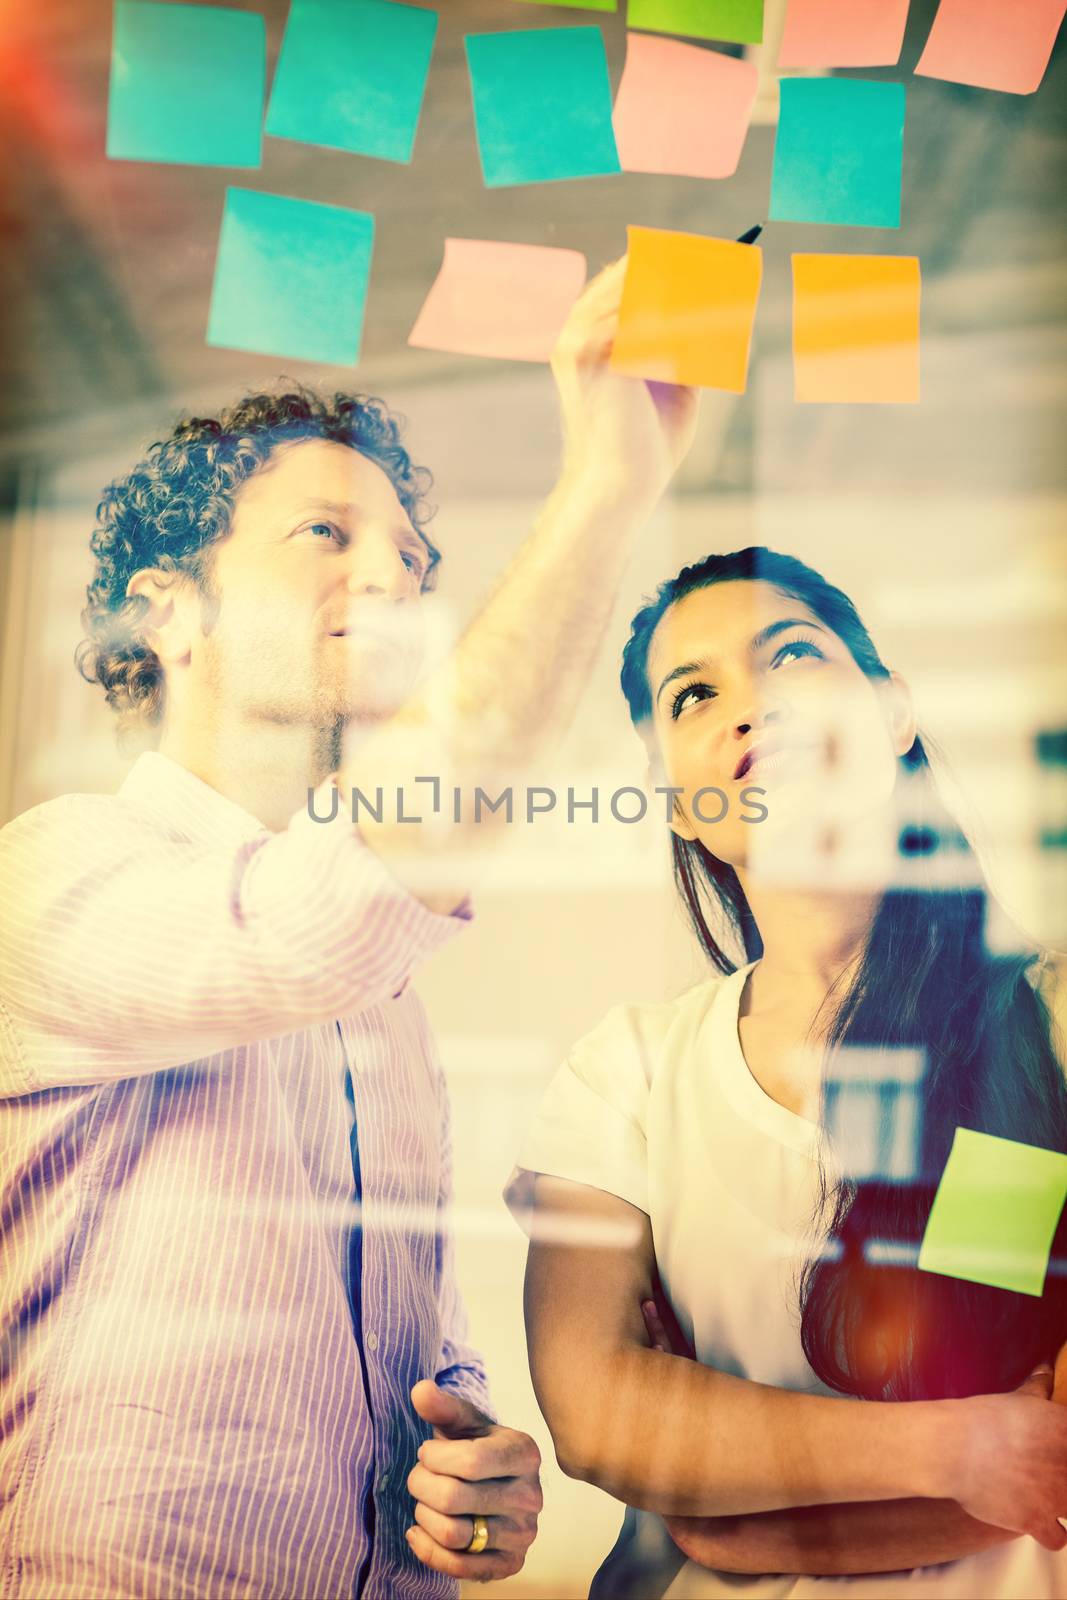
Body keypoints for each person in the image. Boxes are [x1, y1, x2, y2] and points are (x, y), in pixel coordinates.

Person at [0, 260, 700, 1599]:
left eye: (413, 556)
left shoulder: (384, 1006)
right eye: (324, 534)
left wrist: (476, 1477)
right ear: (168, 609)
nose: (394, 574)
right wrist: (606, 486)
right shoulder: (52, 879)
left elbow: (418, 1363)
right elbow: (316, 916)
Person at [510, 546, 1067, 1598]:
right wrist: (955, 1450)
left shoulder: (1041, 1023)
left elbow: (1050, 1453)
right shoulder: (626, 1071)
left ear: (891, 711)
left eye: (791, 653)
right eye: (693, 693)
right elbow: (595, 1415)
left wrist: (734, 1514)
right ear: (674, 802)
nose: (749, 706)